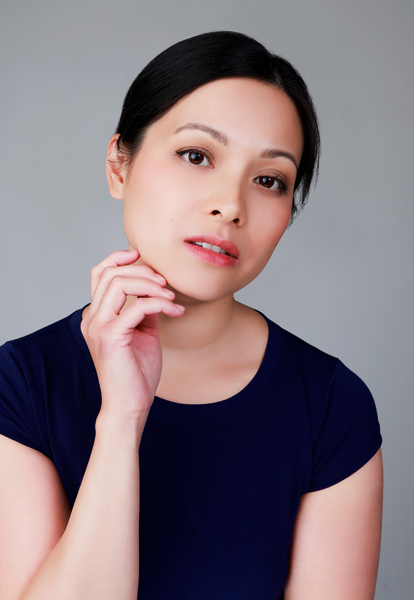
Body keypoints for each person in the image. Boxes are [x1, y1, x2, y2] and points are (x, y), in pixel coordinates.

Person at [0, 31, 383, 600]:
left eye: (269, 180)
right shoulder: (21, 384)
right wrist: (121, 421)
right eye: (197, 155)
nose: (230, 205)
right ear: (119, 166)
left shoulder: (330, 405)